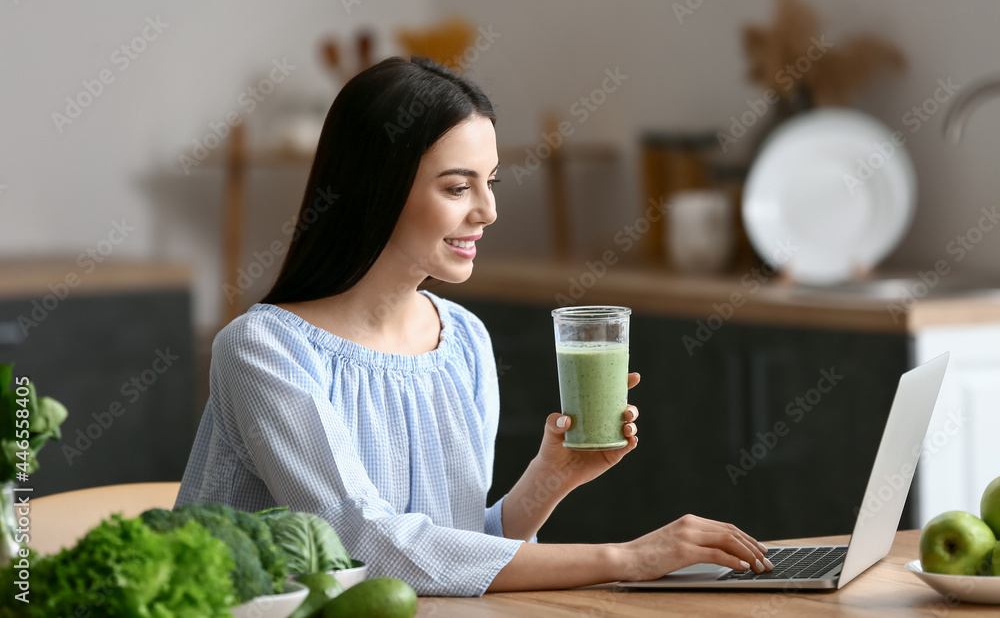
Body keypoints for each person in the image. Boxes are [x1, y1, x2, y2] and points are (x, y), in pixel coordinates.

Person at [175, 55, 773, 596]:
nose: (487, 211)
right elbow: (369, 547)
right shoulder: (263, 351)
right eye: (458, 186)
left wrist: (550, 477)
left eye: (490, 183)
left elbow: (452, 550)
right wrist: (627, 557)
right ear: (374, 190)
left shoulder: (462, 340)